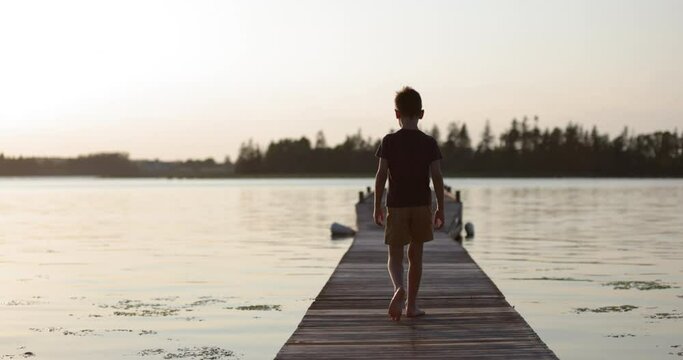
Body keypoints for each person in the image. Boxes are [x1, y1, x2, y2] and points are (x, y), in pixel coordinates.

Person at [373, 86, 444, 321]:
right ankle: (411, 306)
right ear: (421, 114)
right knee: (416, 256)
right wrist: (440, 208)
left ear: (397, 114)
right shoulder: (429, 142)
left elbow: (381, 175)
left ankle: (398, 288)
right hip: (421, 205)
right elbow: (437, 177)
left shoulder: (389, 141)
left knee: (395, 256)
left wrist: (377, 205)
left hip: (396, 205)